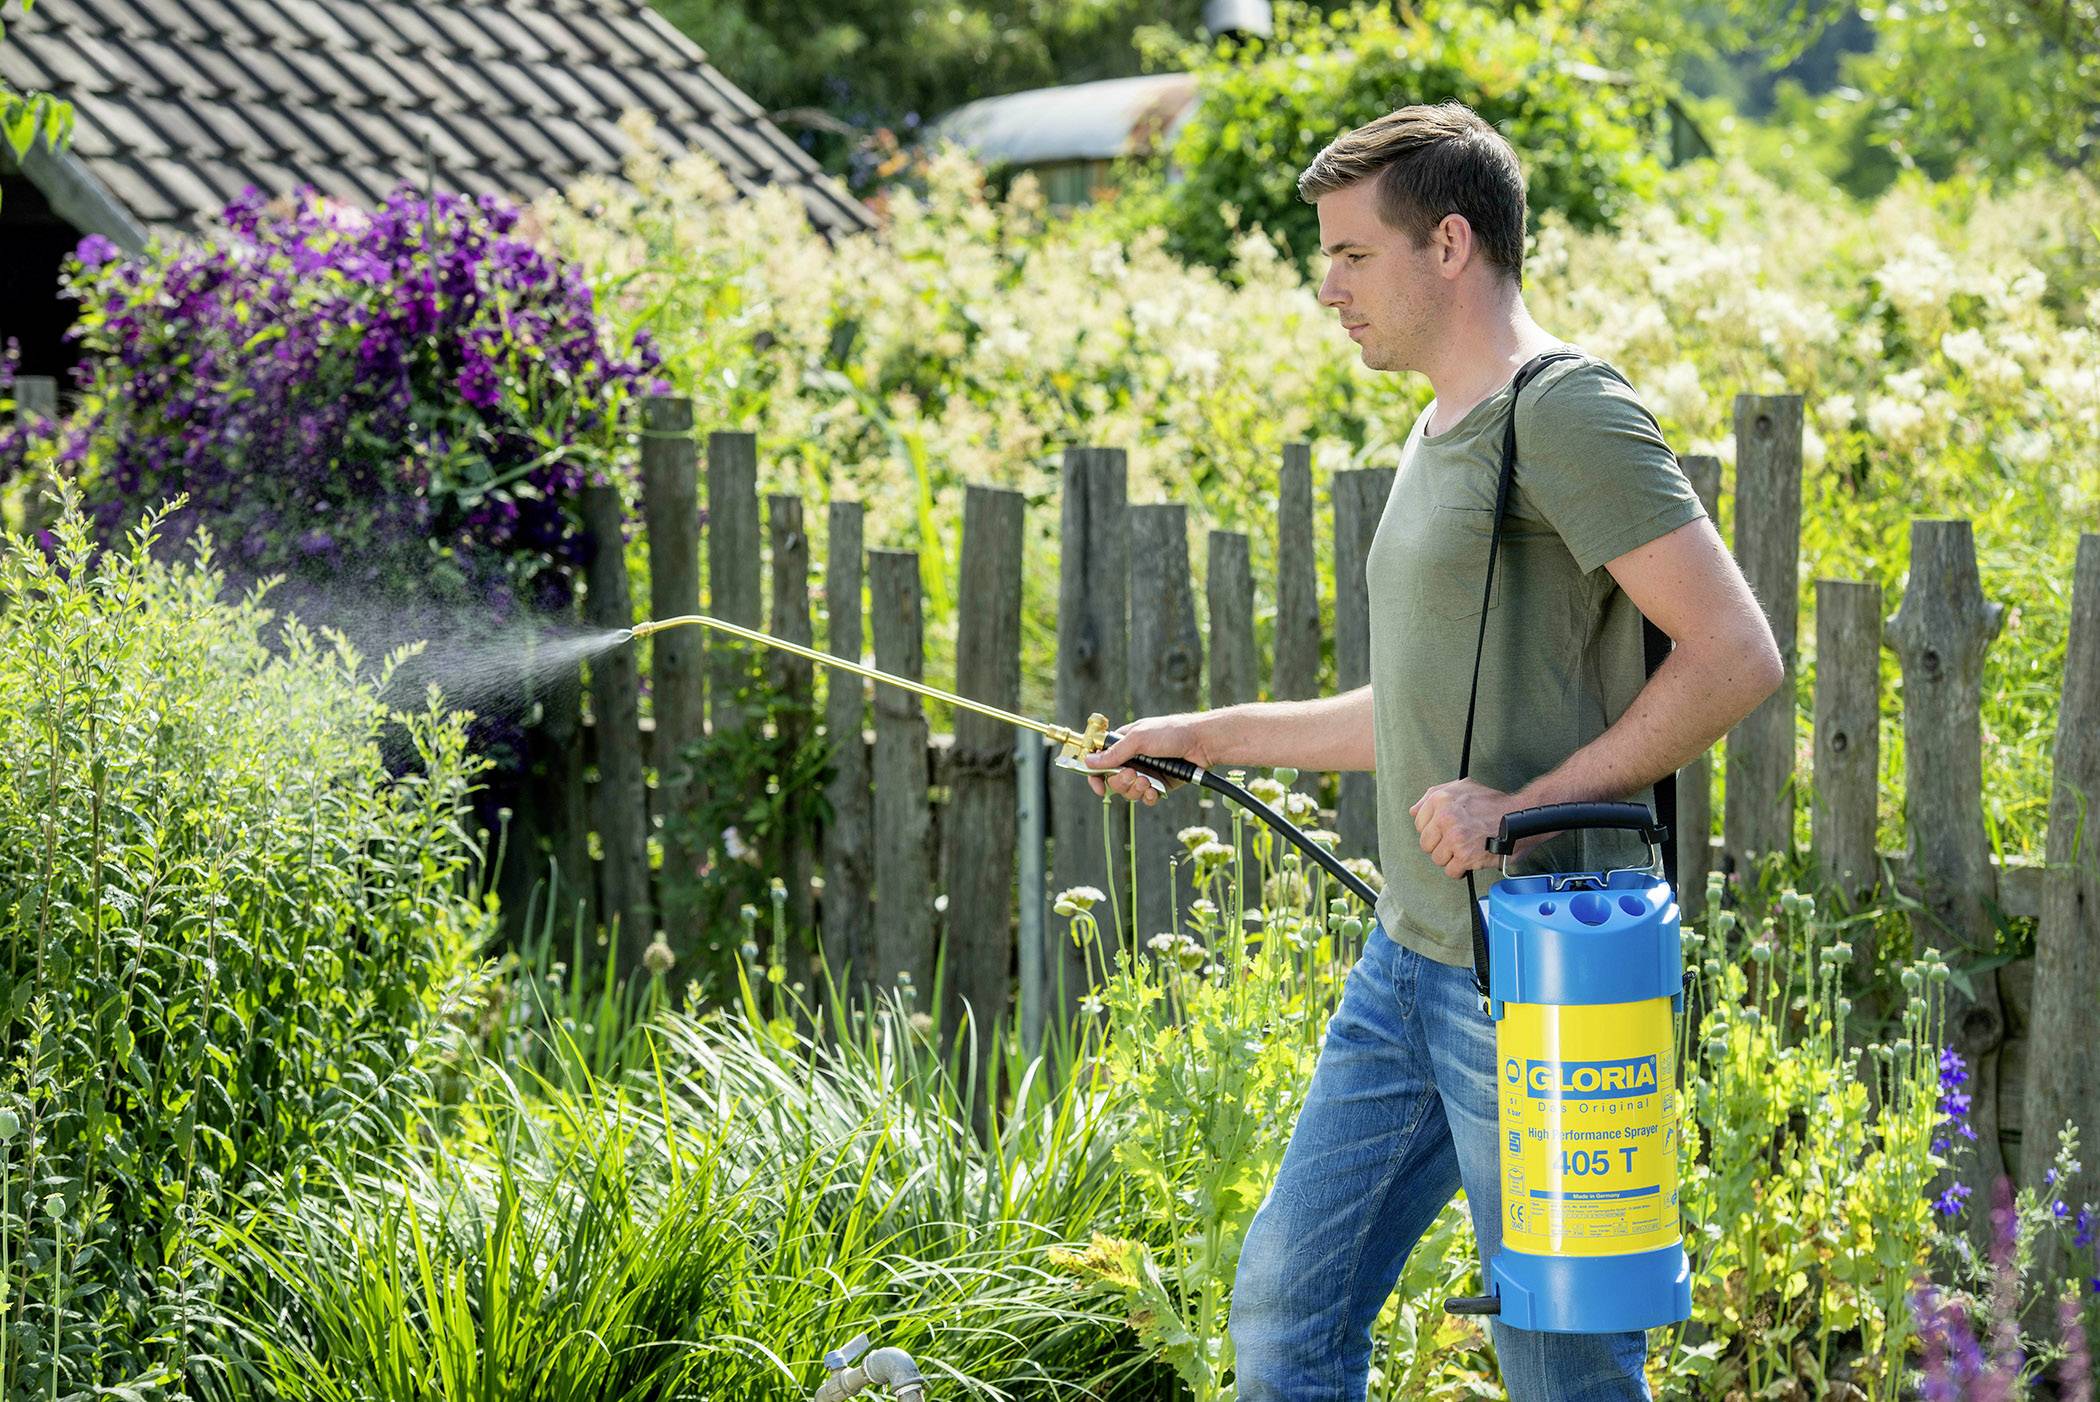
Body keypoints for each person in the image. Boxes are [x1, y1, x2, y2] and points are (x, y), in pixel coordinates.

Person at [1083, 101, 1783, 1401]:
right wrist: (1198, 736)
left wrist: (1528, 803)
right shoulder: (1441, 422)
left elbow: (1738, 654)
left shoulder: (1563, 411)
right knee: (1288, 1309)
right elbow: (1413, 714)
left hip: (1540, 982)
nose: (1326, 289)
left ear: (1449, 243)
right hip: (1410, 961)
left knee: (1561, 1365)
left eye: (1351, 255)